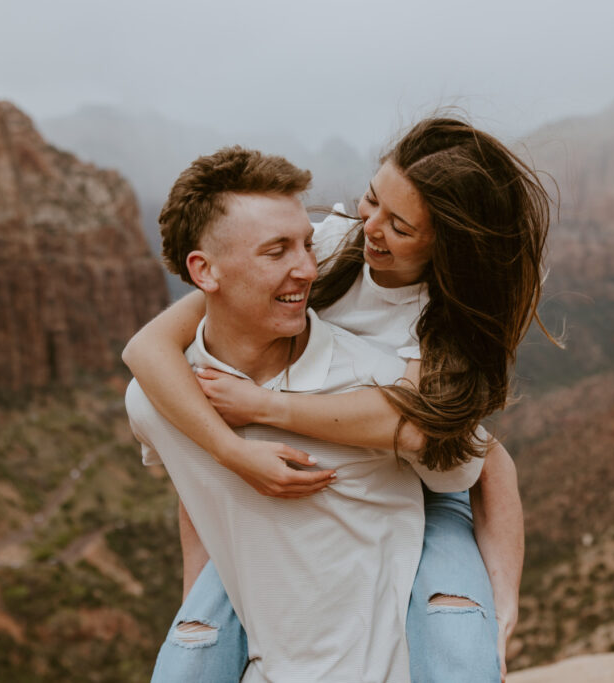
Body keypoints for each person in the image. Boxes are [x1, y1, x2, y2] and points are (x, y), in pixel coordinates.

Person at [125, 117, 551, 681]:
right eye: (371, 199)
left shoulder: (448, 325)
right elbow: (149, 350)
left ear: (448, 245)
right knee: (189, 656)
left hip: (424, 490)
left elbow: (450, 444)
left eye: (399, 225)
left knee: (460, 653)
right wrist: (234, 452)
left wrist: (502, 605)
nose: (370, 226)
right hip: (286, 479)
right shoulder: (329, 243)